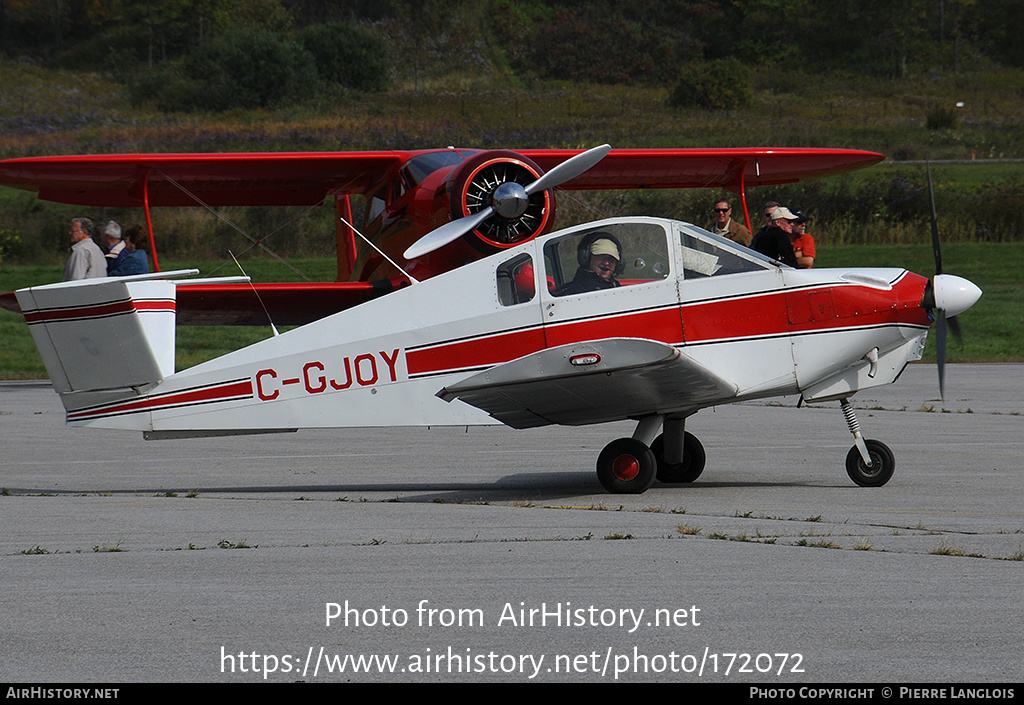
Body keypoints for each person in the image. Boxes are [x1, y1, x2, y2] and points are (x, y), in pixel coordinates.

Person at [553, 232, 623, 296]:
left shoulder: (615, 286)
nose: (606, 263)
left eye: (611, 259)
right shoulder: (576, 290)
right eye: (601, 257)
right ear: (587, 258)